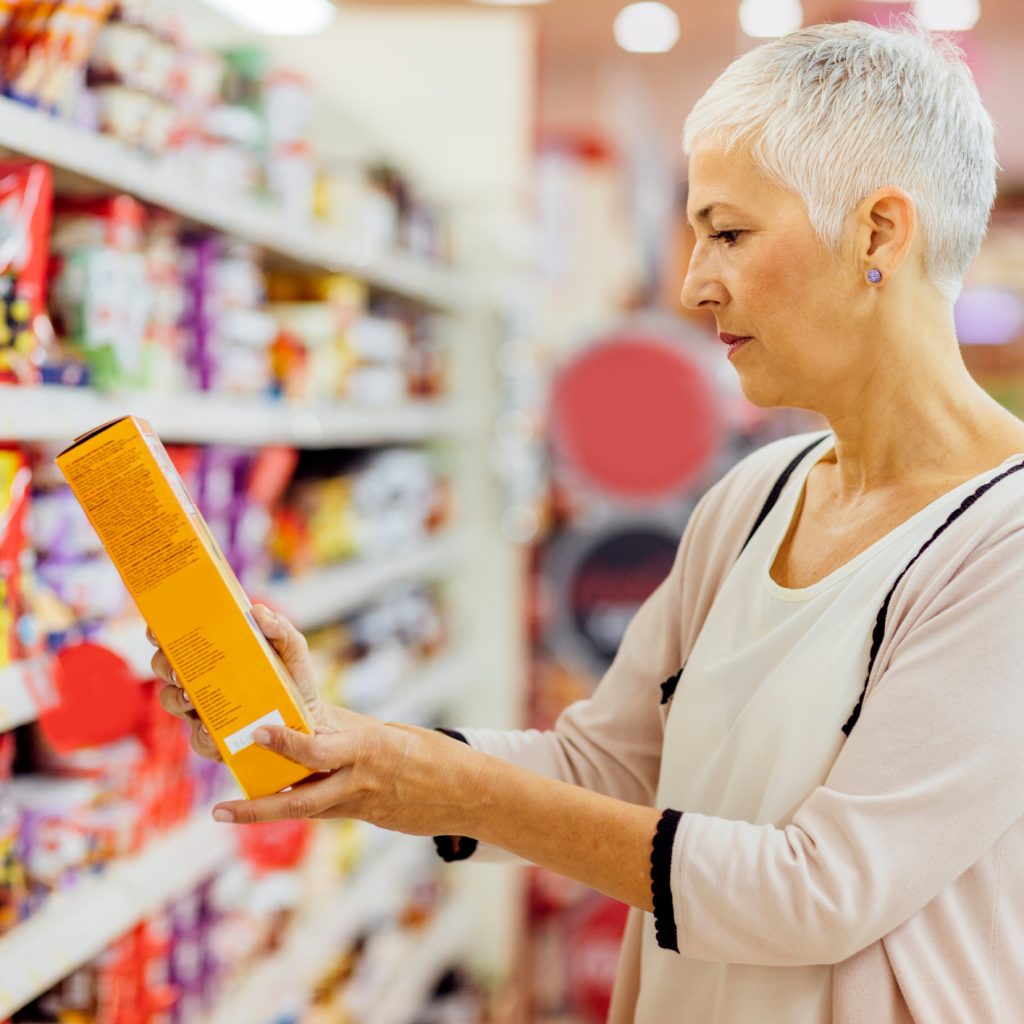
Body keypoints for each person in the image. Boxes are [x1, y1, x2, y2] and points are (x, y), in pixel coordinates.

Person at [151, 18, 1024, 1024]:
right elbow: (601, 767)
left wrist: (449, 786)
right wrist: (343, 746)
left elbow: (820, 889)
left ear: (878, 232)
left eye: (729, 233)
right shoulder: (756, 497)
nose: (696, 282)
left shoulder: (998, 540)